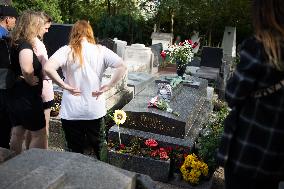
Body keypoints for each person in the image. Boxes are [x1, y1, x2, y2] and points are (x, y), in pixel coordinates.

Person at [217, 0, 284, 189]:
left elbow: (232, 94)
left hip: (248, 151)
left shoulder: (260, 48)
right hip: (275, 156)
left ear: (263, 14)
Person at [45, 20, 127, 162]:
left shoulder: (66, 50)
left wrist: (63, 85)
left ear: (74, 33)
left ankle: (74, 176)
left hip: (71, 110)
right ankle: (104, 174)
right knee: (99, 145)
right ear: (90, 33)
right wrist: (109, 86)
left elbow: (48, 67)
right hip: (94, 108)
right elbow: (122, 66)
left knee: (72, 148)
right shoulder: (100, 50)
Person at [8, 10, 47, 154]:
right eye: (38, 25)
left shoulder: (15, 42)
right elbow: (26, 69)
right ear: (32, 25)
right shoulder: (24, 45)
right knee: (39, 133)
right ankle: (35, 165)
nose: (40, 27)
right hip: (27, 98)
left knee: (18, 131)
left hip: (16, 95)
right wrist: (31, 80)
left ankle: (15, 162)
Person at [25, 12, 53, 150]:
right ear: (38, 25)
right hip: (43, 90)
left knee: (30, 128)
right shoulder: (38, 45)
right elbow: (46, 70)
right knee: (43, 129)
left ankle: (28, 154)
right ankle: (43, 157)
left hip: (29, 89)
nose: (47, 31)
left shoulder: (24, 40)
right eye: (46, 28)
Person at [0, 4, 18, 149]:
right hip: (3, 86)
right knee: (4, 125)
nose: (15, 22)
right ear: (7, 19)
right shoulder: (4, 37)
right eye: (14, 19)